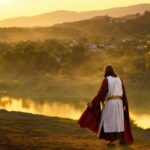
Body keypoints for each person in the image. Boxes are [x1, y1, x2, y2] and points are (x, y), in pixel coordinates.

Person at [77, 65, 134, 145]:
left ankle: (112, 141)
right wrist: (124, 105)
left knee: (109, 121)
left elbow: (101, 94)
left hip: (111, 103)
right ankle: (120, 139)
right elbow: (124, 94)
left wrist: (92, 103)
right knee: (118, 122)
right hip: (119, 103)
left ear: (106, 72)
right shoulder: (120, 80)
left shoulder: (106, 80)